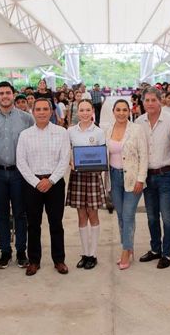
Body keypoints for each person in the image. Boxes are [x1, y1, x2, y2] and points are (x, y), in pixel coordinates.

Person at [0, 82, 34, 269]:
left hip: (20, 173)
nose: (5, 96)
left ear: (13, 95)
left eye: (8, 93)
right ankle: (5, 252)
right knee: (1, 214)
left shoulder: (27, 119)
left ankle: (21, 251)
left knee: (20, 214)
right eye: (1, 93)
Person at [16, 98, 70, 276]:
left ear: (51, 111)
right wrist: (36, 182)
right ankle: (34, 260)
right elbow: (21, 162)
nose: (41, 112)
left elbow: (64, 160)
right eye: (38, 109)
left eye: (45, 109)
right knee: (33, 224)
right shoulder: (25, 135)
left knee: (56, 223)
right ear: (33, 112)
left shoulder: (61, 132)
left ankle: (59, 260)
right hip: (32, 184)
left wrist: (51, 180)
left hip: (55, 183)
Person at [135, 88, 170, 269]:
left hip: (167, 175)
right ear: (143, 102)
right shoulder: (138, 122)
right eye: (147, 100)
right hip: (147, 176)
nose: (150, 103)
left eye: (154, 99)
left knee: (167, 217)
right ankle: (155, 250)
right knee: (152, 217)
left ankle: (167, 254)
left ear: (160, 101)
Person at [105, 100, 148, 270]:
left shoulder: (136, 130)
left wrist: (141, 179)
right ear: (113, 111)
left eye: (125, 110)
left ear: (129, 111)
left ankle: (125, 251)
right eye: (118, 110)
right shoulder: (108, 130)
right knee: (121, 215)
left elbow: (144, 155)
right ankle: (129, 247)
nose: (121, 113)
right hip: (114, 177)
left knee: (128, 215)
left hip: (132, 177)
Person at [67, 100, 107, 270]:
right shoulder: (70, 131)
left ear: (92, 112)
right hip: (77, 177)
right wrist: (70, 161)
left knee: (93, 215)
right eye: (81, 110)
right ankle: (84, 253)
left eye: (87, 110)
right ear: (77, 112)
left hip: (93, 177)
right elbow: (67, 151)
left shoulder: (98, 132)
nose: (84, 113)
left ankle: (93, 254)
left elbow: (102, 153)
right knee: (81, 216)